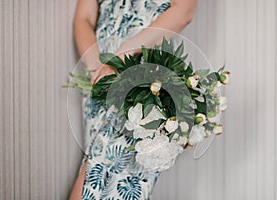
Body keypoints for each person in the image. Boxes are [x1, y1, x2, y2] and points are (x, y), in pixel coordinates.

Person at [70, 0, 197, 199]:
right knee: (99, 178)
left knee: (105, 183)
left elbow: (184, 11)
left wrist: (122, 55)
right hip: (100, 82)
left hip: (145, 85)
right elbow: (83, 18)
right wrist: (98, 68)